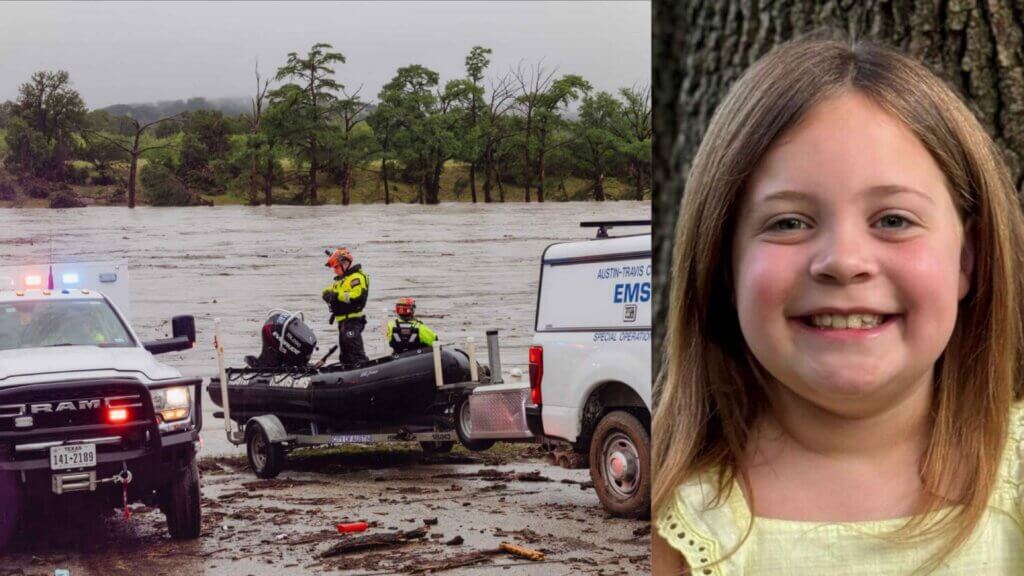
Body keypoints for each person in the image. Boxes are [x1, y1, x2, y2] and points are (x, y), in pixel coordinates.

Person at [652, 37, 1024, 575]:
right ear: (724, 265)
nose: (844, 262)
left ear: (968, 258)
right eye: (789, 222)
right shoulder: (674, 524)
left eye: (893, 220)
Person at [322, 247, 369, 365]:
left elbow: (356, 296)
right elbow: (328, 290)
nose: (334, 271)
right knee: (345, 355)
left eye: (336, 267)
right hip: (343, 321)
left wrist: (337, 295)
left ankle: (363, 369)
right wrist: (327, 295)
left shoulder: (356, 278)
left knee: (356, 353)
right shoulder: (341, 280)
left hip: (352, 320)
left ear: (345, 263)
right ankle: (347, 368)